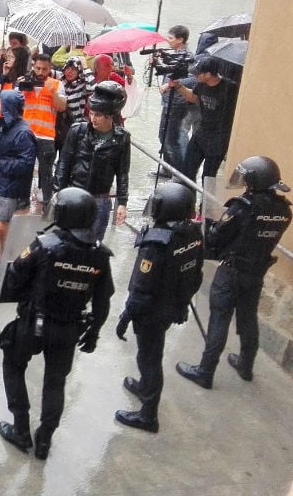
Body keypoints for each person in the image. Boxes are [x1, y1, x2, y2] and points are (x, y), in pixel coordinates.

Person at [0, 187, 113, 461]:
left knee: (13, 364)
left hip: (33, 323)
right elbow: (103, 299)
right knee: (55, 382)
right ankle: (45, 439)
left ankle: (21, 428)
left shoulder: (44, 246)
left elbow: (14, 278)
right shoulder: (100, 255)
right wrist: (93, 332)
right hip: (69, 328)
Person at [177, 156, 292, 388]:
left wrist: (210, 228)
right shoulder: (283, 210)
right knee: (248, 318)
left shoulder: (243, 207)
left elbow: (218, 236)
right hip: (256, 272)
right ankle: (246, 366)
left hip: (232, 271)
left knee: (219, 319)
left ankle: (205, 371)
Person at [114, 182, 203, 433]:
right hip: (172, 305)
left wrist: (126, 316)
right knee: (152, 353)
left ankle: (148, 415)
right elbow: (196, 275)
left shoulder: (157, 242)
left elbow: (141, 287)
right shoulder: (194, 234)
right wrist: (181, 301)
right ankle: (144, 386)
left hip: (151, 311)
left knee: (149, 358)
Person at [53, 81, 130, 242]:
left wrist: (122, 203)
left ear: (110, 116)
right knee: (66, 242)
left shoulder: (122, 138)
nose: (94, 119)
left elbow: (122, 172)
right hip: (74, 194)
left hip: (100, 200)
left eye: (99, 115)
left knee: (93, 245)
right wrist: (58, 193)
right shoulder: (78, 131)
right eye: (92, 114)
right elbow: (64, 164)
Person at [0, 90, 37, 269]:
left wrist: (1, 165)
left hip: (10, 187)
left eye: (1, 103)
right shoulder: (5, 125)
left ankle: (9, 262)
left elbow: (26, 163)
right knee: (1, 224)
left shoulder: (23, 133)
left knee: (2, 225)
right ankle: (4, 258)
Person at [174, 57, 240, 184]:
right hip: (201, 133)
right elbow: (193, 97)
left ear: (209, 74)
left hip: (218, 140)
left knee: (208, 177)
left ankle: (205, 203)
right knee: (187, 170)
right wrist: (178, 87)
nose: (195, 75)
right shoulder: (201, 84)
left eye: (198, 73)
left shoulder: (230, 88)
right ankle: (186, 199)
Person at [18, 54, 67, 208]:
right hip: (26, 134)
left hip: (46, 136)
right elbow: (12, 105)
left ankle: (47, 202)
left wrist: (52, 93)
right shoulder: (24, 82)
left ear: (49, 68)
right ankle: (22, 200)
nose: (40, 72)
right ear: (33, 66)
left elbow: (62, 107)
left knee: (46, 173)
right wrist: (19, 88)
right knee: (24, 170)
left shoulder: (57, 84)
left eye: (44, 69)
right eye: (38, 68)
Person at [156, 25, 195, 172]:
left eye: (171, 38)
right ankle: (167, 169)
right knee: (162, 136)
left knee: (171, 140)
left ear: (180, 40)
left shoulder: (188, 57)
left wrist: (172, 85)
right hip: (167, 101)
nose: (168, 40)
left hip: (178, 103)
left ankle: (179, 174)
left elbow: (193, 80)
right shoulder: (174, 54)